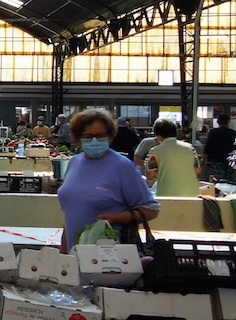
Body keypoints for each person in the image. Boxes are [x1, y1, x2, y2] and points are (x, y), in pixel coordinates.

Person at [57, 108, 159, 252]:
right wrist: (63, 253)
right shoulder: (74, 163)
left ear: (110, 137)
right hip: (75, 257)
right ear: (78, 138)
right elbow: (69, 217)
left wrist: (119, 218)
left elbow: (151, 210)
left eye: (100, 136)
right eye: (87, 136)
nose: (94, 141)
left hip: (109, 258)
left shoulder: (123, 166)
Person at [146, 119, 201, 197]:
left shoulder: (155, 151)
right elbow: (197, 170)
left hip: (166, 194)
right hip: (191, 194)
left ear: (157, 134)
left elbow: (150, 174)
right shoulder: (190, 148)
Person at [203, 114, 236, 181]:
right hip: (230, 161)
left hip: (216, 160)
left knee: (219, 181)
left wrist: (204, 160)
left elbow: (208, 147)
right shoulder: (234, 133)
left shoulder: (213, 132)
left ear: (217, 122)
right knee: (229, 182)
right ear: (228, 122)